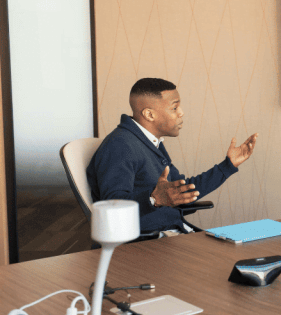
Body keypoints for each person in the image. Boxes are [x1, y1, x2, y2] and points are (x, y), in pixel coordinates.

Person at [87, 78, 258, 237]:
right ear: (149, 114)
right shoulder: (120, 146)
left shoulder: (151, 142)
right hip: (149, 244)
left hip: (174, 232)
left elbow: (182, 190)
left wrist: (228, 166)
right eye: (174, 108)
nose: (181, 113)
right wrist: (154, 199)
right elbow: (113, 210)